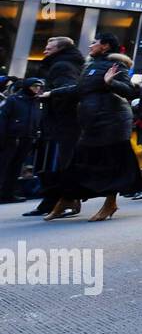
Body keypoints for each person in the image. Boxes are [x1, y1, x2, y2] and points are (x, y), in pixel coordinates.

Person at [42, 33, 141, 222]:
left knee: (110, 165)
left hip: (111, 123)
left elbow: (129, 91)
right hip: (91, 123)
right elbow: (79, 90)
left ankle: (110, 203)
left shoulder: (115, 65)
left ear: (105, 46)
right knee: (79, 162)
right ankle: (67, 199)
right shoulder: (90, 66)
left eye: (94, 43)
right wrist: (51, 93)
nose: (90, 46)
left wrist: (110, 83)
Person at [23, 37, 85, 218]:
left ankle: (58, 201)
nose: (44, 50)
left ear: (60, 49)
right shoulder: (66, 64)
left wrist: (47, 96)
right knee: (53, 163)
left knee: (54, 163)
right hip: (62, 122)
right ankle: (55, 201)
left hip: (61, 123)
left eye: (49, 48)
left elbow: (69, 90)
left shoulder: (62, 66)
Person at [0, 78, 42, 203]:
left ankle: (9, 193)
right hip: (11, 138)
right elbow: (3, 120)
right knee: (4, 166)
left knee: (16, 167)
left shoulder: (36, 101)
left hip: (27, 138)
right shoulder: (14, 100)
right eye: (34, 86)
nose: (37, 89)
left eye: (39, 86)